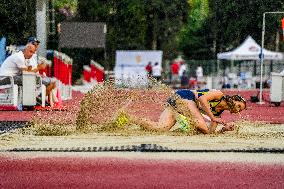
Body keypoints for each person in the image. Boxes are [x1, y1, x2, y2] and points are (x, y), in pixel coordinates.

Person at [120, 89, 246, 134]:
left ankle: (127, 118)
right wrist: (212, 118)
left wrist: (224, 129)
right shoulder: (219, 95)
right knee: (201, 124)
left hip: (183, 106)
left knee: (161, 128)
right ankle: (185, 121)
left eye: (240, 109)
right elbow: (202, 99)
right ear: (234, 99)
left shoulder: (218, 115)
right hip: (184, 96)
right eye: (239, 106)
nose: (238, 110)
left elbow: (209, 132)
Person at [27, 37, 58, 107]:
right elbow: (29, 69)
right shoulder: (29, 54)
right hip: (32, 77)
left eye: (37, 44)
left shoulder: (34, 55)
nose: (37, 46)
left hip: (35, 76)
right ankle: (40, 98)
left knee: (53, 82)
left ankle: (40, 98)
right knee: (52, 82)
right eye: (35, 44)